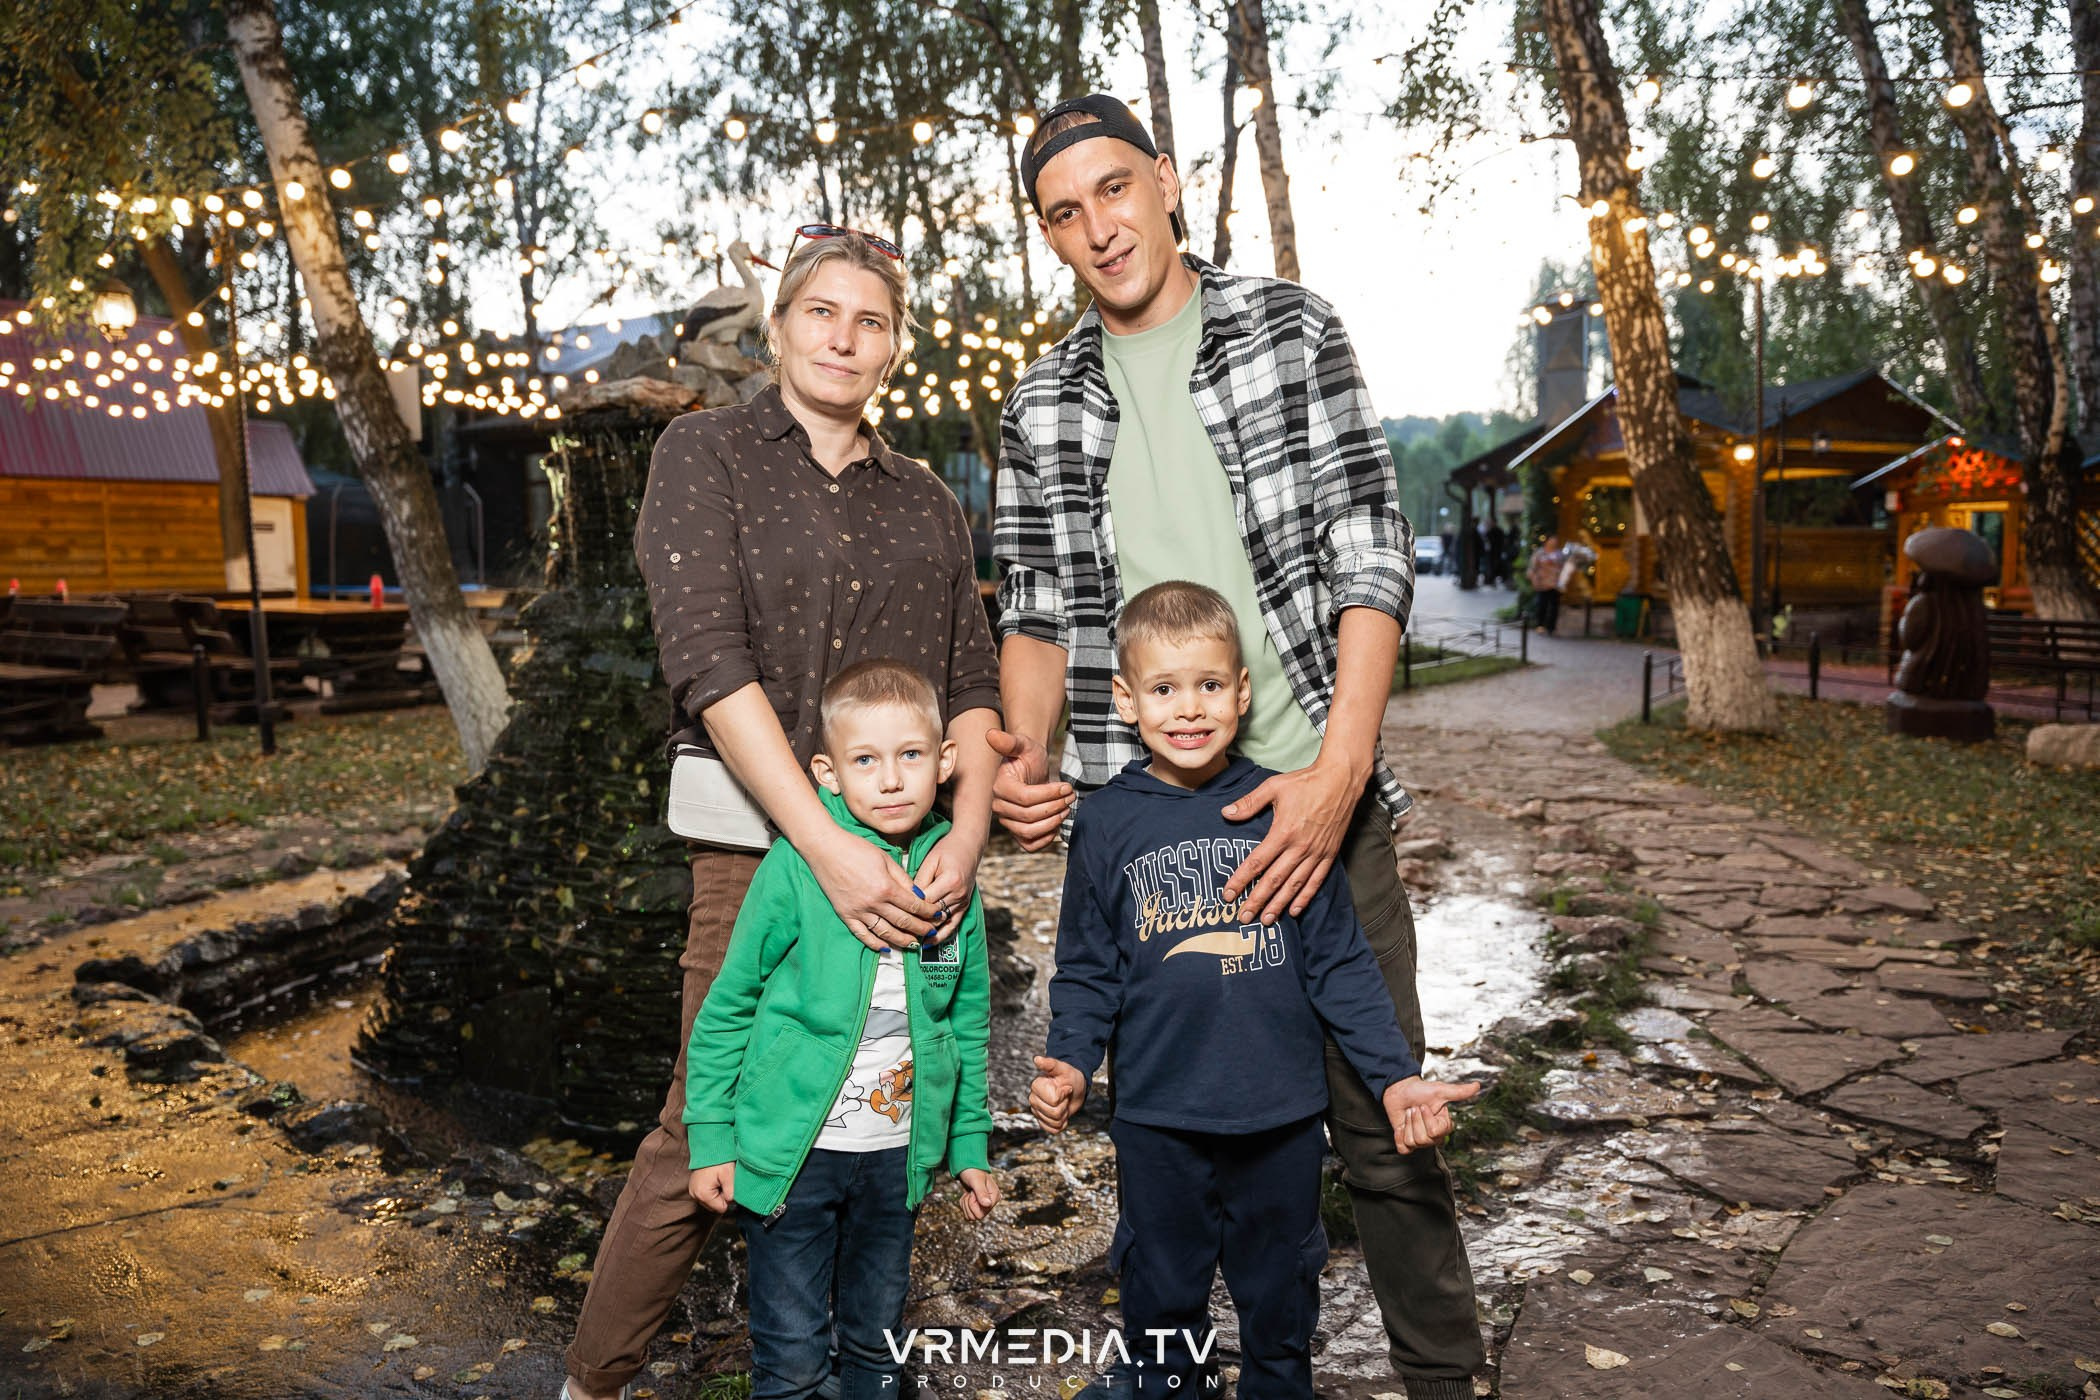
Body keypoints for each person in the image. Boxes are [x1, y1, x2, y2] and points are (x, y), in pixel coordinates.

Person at [987, 93, 1486, 1400]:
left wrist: (1335, 779)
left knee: (1382, 1122)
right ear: (1048, 236)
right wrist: (1026, 755)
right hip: (1146, 821)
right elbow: (1036, 605)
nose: (1098, 227)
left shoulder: (1288, 331)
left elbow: (1372, 553)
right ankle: (1161, 1370)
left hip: (1310, 797)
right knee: (1159, 1123)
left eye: (1113, 189)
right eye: (1063, 212)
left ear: (1164, 179)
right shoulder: (1042, 403)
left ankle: (1447, 1378)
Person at [564, 227, 1003, 1400]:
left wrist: (961, 838)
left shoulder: (925, 501)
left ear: (896, 346)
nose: (843, 337)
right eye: (822, 312)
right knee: (699, 1123)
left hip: (914, 855)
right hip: (762, 847)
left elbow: (972, 681)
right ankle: (591, 1382)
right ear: (780, 327)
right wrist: (829, 849)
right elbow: (708, 661)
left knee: (887, 1105)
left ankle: (853, 1366)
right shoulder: (704, 454)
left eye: (870, 320)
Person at [1029, 583, 1478, 1400]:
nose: (1189, 708)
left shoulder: (1288, 810)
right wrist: (1069, 1060)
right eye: (1164, 689)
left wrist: (1394, 1077)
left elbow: (1341, 962)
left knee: (1281, 1295)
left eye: (1208, 685)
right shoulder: (1104, 824)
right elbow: (1088, 964)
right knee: (1160, 1296)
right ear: (1127, 701)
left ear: (1242, 691)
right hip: (1158, 1119)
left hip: (1279, 1119)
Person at [685, 660, 1000, 1400]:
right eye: (866, 761)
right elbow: (729, 1005)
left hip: (895, 1168)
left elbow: (967, 1018)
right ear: (827, 773)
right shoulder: (798, 868)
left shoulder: (952, 879)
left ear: (945, 762)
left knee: (877, 1350)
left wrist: (969, 1143)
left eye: (910, 756)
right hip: (791, 1160)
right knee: (791, 1361)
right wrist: (711, 1137)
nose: (890, 780)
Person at [1527, 534, 1565, 635]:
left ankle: (1551, 627)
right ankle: (1540, 625)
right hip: (1542, 583)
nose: (1553, 542)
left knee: (1554, 606)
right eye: (1552, 540)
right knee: (1542, 605)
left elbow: (1563, 568)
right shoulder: (1539, 553)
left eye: (1555, 540)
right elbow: (1532, 567)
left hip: (1555, 583)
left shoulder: (1559, 554)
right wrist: (1533, 579)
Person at [1484, 518, 1509, 587]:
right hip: (1492, 553)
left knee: (1497, 566)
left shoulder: (1499, 531)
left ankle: (1499, 579)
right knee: (1492, 567)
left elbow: (1503, 542)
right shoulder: (1490, 531)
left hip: (1497, 552)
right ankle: (1492, 580)